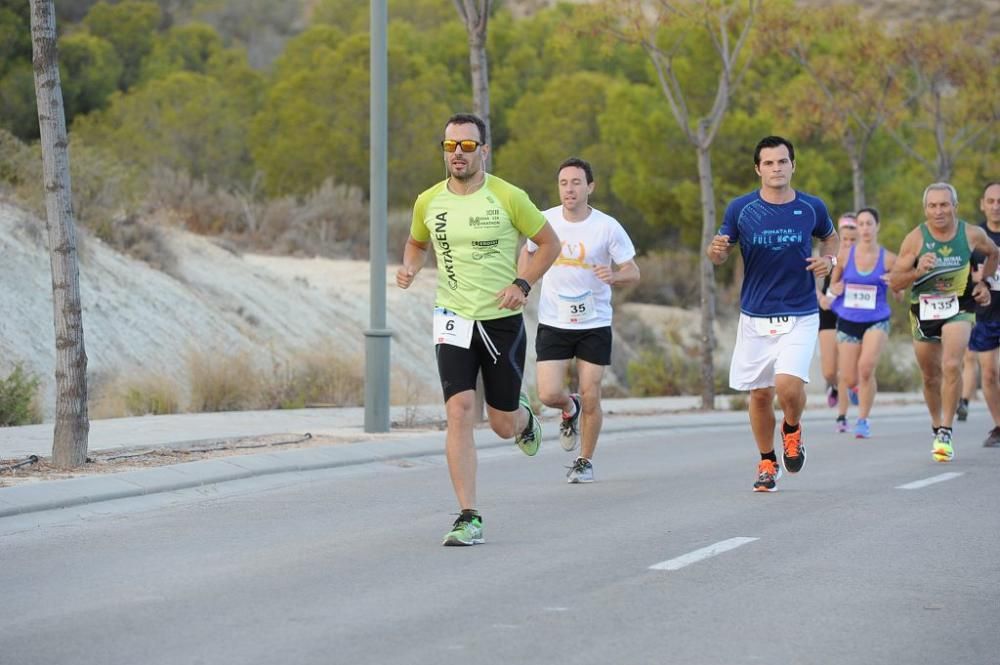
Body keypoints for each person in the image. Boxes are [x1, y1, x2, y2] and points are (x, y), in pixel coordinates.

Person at [396, 112, 560, 545]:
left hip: (501, 320)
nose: (458, 154)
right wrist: (411, 267)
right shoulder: (428, 201)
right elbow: (417, 241)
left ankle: (523, 418)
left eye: (467, 146)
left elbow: (550, 244)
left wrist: (523, 283)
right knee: (458, 411)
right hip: (452, 317)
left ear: (483, 150)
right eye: (451, 147)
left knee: (501, 424)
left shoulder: (508, 197)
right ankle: (468, 515)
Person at [707, 135, 838, 492]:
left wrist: (830, 261)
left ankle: (792, 429)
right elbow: (720, 252)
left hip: (800, 312)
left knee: (787, 386)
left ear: (793, 165)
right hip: (755, 316)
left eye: (782, 162)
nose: (776, 169)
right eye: (769, 163)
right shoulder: (741, 209)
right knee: (760, 395)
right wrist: (716, 251)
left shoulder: (811, 207)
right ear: (758, 169)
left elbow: (831, 238)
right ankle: (767, 460)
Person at [518, 157, 640, 484]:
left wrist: (614, 276)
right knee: (547, 394)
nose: (569, 189)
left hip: (594, 323)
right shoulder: (544, 220)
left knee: (592, 393)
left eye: (575, 183)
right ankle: (568, 407)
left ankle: (584, 461)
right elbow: (528, 250)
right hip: (554, 319)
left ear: (590, 187)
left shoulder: (607, 226)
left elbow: (633, 270)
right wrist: (523, 282)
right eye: (563, 183)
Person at [888, 182, 998, 462]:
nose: (939, 211)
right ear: (925, 209)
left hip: (959, 306)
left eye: (944, 205)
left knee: (951, 364)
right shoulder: (915, 239)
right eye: (933, 206)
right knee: (930, 375)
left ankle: (946, 431)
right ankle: (937, 424)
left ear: (955, 207)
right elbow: (896, 282)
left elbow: (994, 253)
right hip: (924, 312)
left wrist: (984, 281)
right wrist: (916, 270)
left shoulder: (972, 234)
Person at [827, 207, 902, 438]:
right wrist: (834, 288)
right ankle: (859, 393)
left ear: (877, 226)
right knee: (849, 378)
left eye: (869, 223)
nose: (866, 228)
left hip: (876, 320)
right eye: (861, 224)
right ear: (856, 228)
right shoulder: (845, 255)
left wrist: (895, 284)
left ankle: (863, 420)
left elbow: (901, 293)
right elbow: (833, 284)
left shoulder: (889, 258)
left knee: (866, 368)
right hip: (848, 320)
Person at [966, 182, 1000, 447]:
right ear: (983, 204)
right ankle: (999, 426)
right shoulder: (975, 239)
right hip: (985, 315)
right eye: (991, 201)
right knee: (988, 374)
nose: (996, 206)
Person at [817, 213, 858, 427]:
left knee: (845, 368)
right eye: (846, 239)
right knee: (830, 371)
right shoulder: (830, 255)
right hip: (828, 310)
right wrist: (822, 298)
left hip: (851, 311)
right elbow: (808, 280)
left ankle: (842, 416)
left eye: (853, 239)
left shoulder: (864, 258)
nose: (849, 243)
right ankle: (832, 386)